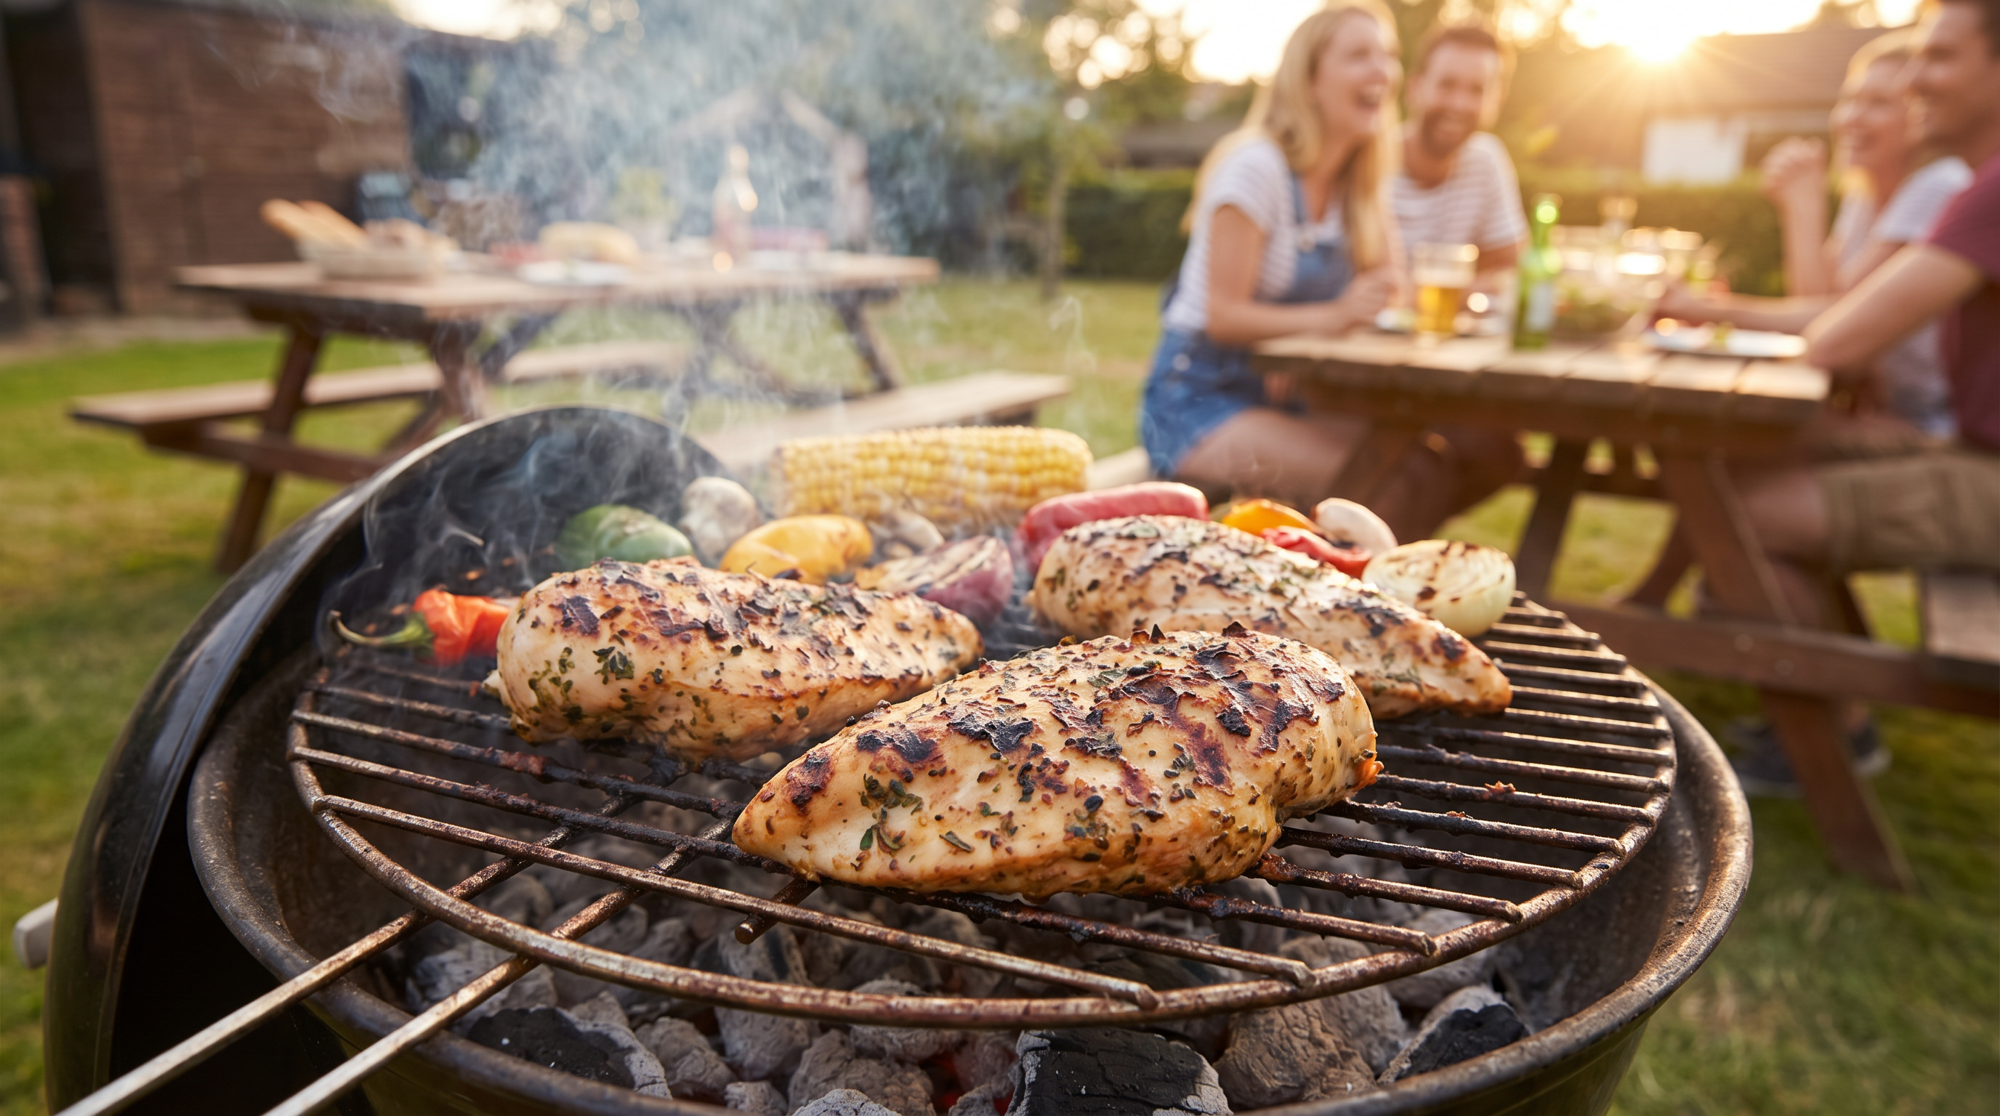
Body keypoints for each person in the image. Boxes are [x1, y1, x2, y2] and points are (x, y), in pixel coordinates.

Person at [1724, 0, 2000, 793]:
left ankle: (1835, 734)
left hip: (1980, 468)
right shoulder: (1975, 183)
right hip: (1968, 449)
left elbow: (1836, 337)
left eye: (1940, 58)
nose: (1917, 79)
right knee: (1737, 474)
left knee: (1738, 521)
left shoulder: (1986, 188)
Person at [1139, 3, 1499, 539]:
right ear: (1309, 79)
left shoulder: (1359, 181)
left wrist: (1327, 323)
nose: (1382, 73)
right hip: (1200, 400)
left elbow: (1391, 294)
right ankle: (1358, 606)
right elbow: (1224, 316)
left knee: (1456, 454)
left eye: (1389, 57)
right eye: (1359, 56)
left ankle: (1366, 596)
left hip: (1290, 394)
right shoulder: (1255, 167)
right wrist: (1329, 317)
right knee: (1403, 475)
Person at [1657, 30, 1971, 439]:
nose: (1851, 118)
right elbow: (1821, 304)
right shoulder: (1868, 194)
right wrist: (1799, 210)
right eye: (1850, 99)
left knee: (1725, 436)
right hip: (1877, 410)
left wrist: (1703, 308)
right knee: (1715, 431)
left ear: (1922, 112)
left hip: (1934, 427)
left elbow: (1834, 314)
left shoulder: (1939, 185)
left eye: (1878, 103)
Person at [1391, 23, 1526, 294]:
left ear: (1495, 101)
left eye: (1476, 90)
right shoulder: (1369, 161)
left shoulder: (1487, 159)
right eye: (1446, 84)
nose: (1459, 104)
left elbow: (1514, 270)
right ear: (1415, 88)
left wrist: (1437, 296)